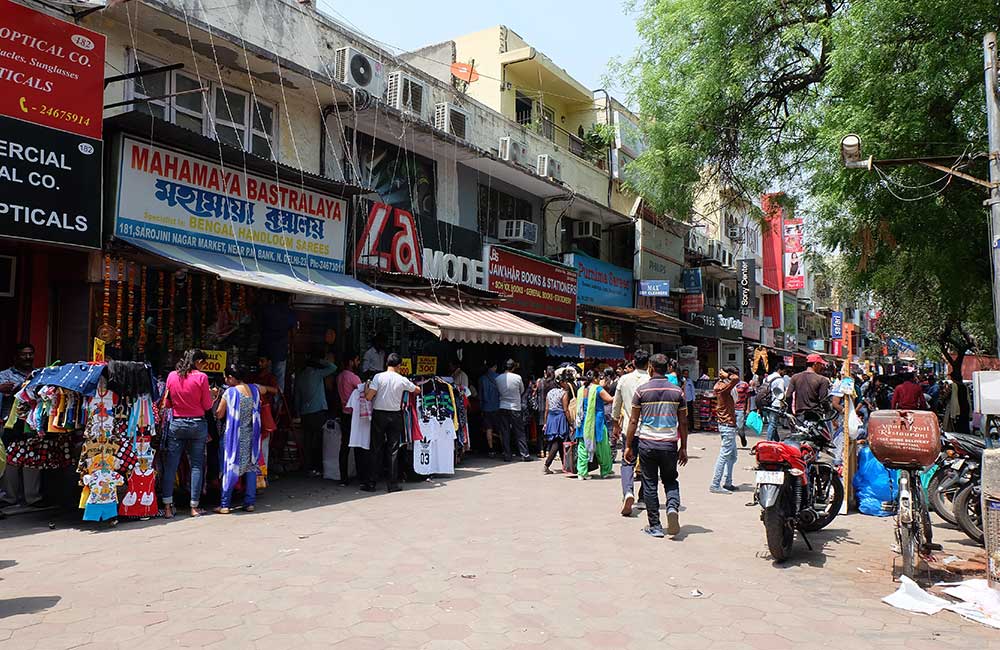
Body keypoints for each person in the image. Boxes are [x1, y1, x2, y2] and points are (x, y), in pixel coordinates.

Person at [624, 353, 688, 538]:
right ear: (668, 368)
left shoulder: (641, 391)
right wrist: (683, 447)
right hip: (669, 444)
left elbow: (634, 421)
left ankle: (655, 526)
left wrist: (628, 446)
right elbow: (683, 422)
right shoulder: (677, 392)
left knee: (650, 483)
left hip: (647, 444)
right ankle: (672, 508)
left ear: (650, 368)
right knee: (670, 480)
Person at [214, 364, 276, 514]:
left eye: (226, 377)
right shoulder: (255, 389)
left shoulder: (230, 393)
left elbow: (219, 414)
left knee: (231, 467)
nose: (225, 380)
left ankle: (225, 505)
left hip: (235, 437)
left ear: (231, 378)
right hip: (252, 436)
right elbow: (270, 390)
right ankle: (249, 503)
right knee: (251, 468)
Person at [161, 349, 213, 518]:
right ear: (197, 361)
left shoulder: (171, 376)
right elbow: (207, 406)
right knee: (197, 465)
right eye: (203, 362)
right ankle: (194, 507)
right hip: (197, 424)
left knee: (171, 465)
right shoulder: (201, 378)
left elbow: (167, 404)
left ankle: (168, 508)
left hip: (177, 423)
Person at [365, 353, 420, 492]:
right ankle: (392, 484)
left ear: (386, 364)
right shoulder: (402, 379)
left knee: (376, 448)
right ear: (399, 366)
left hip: (379, 414)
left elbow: (369, 396)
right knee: (393, 450)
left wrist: (367, 387)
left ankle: (371, 483)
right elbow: (417, 390)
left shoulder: (378, 377)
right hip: (395, 416)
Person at [0, 343, 39, 508]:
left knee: (32, 458)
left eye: (30, 354)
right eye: (24, 354)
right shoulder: (4, 375)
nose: (28, 357)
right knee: (10, 459)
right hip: (9, 422)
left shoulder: (38, 374)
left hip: (31, 423)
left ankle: (33, 497)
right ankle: (10, 497)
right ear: (16, 357)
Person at [612, 349, 650, 516]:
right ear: (648, 363)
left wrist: (615, 423)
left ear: (633, 362)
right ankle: (643, 497)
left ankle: (628, 491)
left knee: (627, 461)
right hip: (649, 430)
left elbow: (616, 404)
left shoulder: (624, 380)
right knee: (648, 464)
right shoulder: (651, 380)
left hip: (629, 428)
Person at [294, 349, 338, 477]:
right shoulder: (317, 373)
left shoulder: (300, 376)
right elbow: (333, 367)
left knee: (307, 441)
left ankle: (308, 467)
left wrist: (297, 412)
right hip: (318, 411)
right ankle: (319, 467)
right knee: (319, 440)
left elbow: (297, 398)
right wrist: (319, 361)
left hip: (305, 413)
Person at [574, 370, 614, 480]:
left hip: (583, 421)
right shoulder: (598, 389)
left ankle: (582, 472)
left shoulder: (581, 390)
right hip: (597, 422)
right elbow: (610, 399)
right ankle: (605, 471)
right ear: (596, 378)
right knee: (602, 447)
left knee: (582, 447)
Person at [709, 366, 740, 494]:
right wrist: (727, 375)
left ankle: (728, 482)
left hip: (727, 425)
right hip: (727, 425)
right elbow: (736, 379)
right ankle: (715, 484)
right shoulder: (724, 387)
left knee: (732, 456)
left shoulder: (721, 386)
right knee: (724, 455)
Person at [259, 292, 297, 393]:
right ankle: (277, 405)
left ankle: (265, 403)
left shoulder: (267, 309)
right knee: (279, 381)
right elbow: (293, 333)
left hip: (266, 349)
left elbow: (259, 327)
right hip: (280, 351)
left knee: (264, 378)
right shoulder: (290, 313)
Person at [495, 359, 530, 462]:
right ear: (513, 367)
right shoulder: (517, 377)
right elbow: (521, 390)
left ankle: (507, 455)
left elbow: (498, 391)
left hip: (503, 406)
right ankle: (524, 454)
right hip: (515, 407)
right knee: (519, 432)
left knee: (505, 432)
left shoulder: (498, 378)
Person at [336, 354, 363, 486]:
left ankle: (343, 478)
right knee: (358, 445)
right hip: (354, 415)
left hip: (344, 413)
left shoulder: (340, 376)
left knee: (345, 446)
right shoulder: (353, 377)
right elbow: (364, 391)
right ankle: (360, 476)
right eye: (357, 360)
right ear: (351, 362)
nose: (359, 363)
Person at [541, 373, 572, 474]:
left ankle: (566, 466)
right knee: (558, 442)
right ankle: (546, 465)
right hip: (560, 418)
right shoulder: (564, 393)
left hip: (551, 417)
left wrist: (545, 422)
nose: (567, 384)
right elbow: (565, 409)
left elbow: (546, 409)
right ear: (562, 383)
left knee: (559, 442)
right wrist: (571, 422)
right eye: (566, 382)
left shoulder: (550, 392)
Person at [786, 354, 831, 420]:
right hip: (815, 416)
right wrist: (828, 411)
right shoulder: (822, 380)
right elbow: (823, 400)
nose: (822, 367)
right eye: (821, 364)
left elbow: (788, 396)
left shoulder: (795, 377)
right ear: (815, 364)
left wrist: (789, 411)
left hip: (799, 415)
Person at [478, 361, 501, 457]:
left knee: (489, 428)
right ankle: (504, 449)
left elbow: (480, 395)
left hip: (486, 407)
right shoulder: (499, 377)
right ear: (495, 367)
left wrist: (481, 407)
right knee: (501, 429)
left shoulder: (482, 379)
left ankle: (491, 449)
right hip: (498, 407)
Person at [760, 366, 789, 441]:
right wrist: (783, 405)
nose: (784, 373)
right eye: (784, 371)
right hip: (776, 403)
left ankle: (777, 440)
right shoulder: (780, 380)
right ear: (779, 370)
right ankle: (768, 441)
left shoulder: (766, 378)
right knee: (773, 423)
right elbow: (781, 394)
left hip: (766, 402)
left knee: (773, 422)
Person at [734, 374, 750, 447]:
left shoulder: (744, 384)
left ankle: (742, 437)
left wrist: (747, 409)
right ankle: (732, 444)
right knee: (731, 428)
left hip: (740, 408)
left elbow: (748, 397)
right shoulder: (728, 384)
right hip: (730, 408)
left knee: (740, 427)